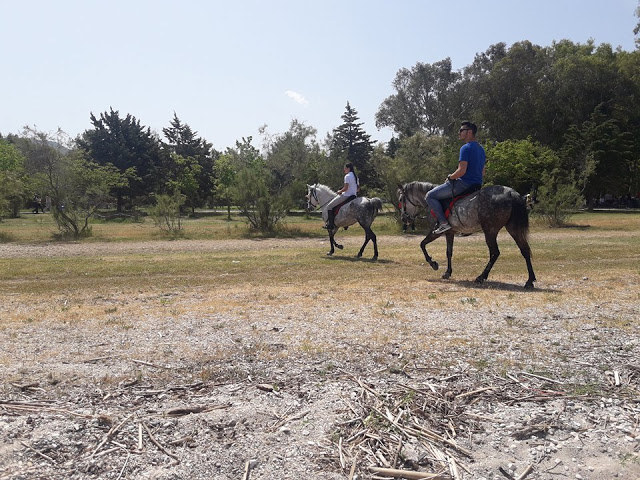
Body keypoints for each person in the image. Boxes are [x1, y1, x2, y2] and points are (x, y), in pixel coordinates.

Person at [426, 121, 486, 234]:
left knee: (430, 195)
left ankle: (443, 223)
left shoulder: (465, 148)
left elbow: (461, 171)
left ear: (469, 132)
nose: (459, 133)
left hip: (463, 184)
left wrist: (451, 177)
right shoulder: (481, 149)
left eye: (461, 130)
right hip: (477, 185)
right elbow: (483, 172)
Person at [324, 162, 360, 230]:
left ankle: (330, 225)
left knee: (329, 206)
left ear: (348, 169)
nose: (344, 169)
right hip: (354, 196)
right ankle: (345, 224)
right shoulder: (356, 177)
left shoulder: (347, 176)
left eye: (345, 168)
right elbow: (358, 189)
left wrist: (339, 191)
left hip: (347, 195)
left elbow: (345, 188)